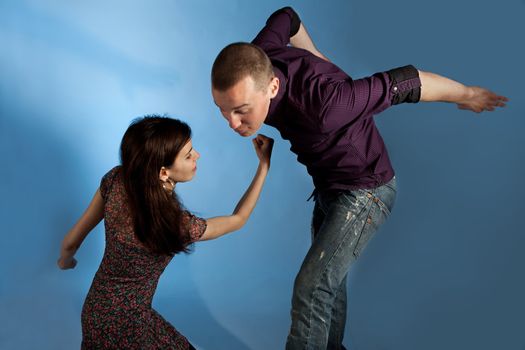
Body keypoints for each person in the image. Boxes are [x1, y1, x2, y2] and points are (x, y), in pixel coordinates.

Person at [210, 6, 508, 349]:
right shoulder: (257, 56)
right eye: (223, 110)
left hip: (367, 192)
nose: (232, 123)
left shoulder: (327, 104)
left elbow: (407, 81)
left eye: (241, 110)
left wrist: (468, 94)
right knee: (328, 286)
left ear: (273, 86)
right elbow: (287, 16)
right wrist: (317, 57)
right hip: (328, 187)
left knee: (311, 287)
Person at [57, 115, 273, 349]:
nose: (197, 155)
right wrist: (263, 166)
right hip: (131, 326)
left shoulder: (116, 180)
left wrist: (65, 262)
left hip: (95, 314)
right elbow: (238, 219)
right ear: (163, 173)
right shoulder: (177, 225)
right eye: (189, 154)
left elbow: (70, 243)